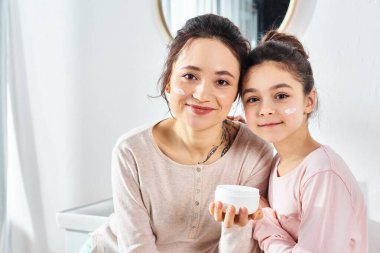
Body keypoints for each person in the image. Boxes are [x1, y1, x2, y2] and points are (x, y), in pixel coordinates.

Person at [81, 14, 274, 253]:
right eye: (190, 76)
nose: (202, 94)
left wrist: (237, 227)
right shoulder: (131, 151)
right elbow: (136, 248)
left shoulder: (255, 154)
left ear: (236, 92)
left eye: (222, 82)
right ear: (169, 81)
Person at [210, 30, 368, 252]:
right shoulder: (278, 163)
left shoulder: (323, 173)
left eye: (281, 96)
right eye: (253, 99)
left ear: (309, 101)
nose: (265, 110)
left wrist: (264, 220)